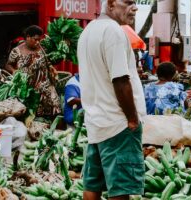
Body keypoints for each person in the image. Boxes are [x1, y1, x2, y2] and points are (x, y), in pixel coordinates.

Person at [77, 0, 146, 199]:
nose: (134, 7)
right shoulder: (114, 32)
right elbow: (121, 80)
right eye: (128, 2)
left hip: (96, 123)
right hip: (118, 124)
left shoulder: (88, 31)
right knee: (121, 188)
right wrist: (132, 119)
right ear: (111, 4)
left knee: (93, 184)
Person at [5, 25, 61, 117]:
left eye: (39, 39)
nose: (38, 42)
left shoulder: (43, 48)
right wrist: (14, 71)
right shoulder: (17, 51)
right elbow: (8, 65)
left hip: (46, 87)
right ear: (28, 37)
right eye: (35, 39)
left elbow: (52, 60)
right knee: (32, 114)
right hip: (27, 89)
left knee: (55, 110)